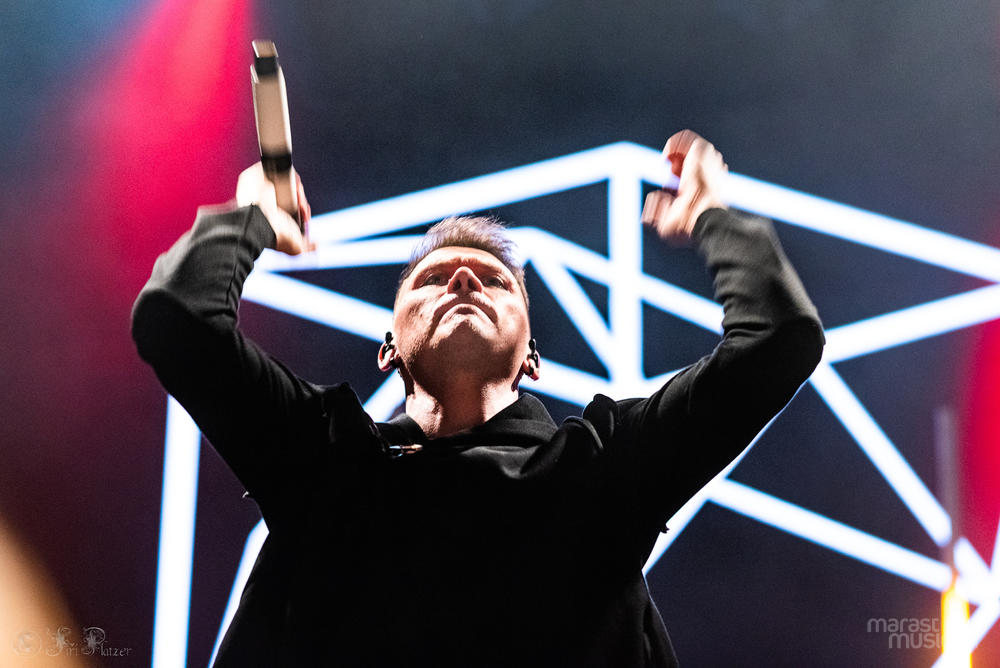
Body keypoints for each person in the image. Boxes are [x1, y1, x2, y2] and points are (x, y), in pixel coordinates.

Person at [132, 130, 824, 667]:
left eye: (493, 281)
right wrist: (250, 218)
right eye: (433, 278)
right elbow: (177, 318)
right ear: (388, 349)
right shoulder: (324, 455)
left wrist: (711, 215)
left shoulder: (602, 466)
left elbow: (778, 340)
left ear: (532, 359)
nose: (463, 279)